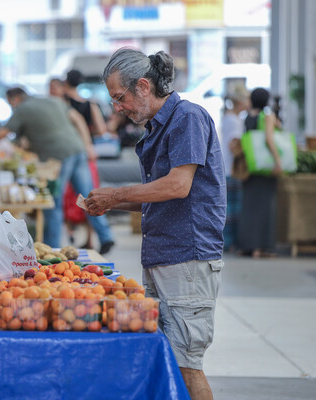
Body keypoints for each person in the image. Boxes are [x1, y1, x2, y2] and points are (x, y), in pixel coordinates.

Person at [84, 48, 225, 400]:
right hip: (165, 255)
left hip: (187, 259)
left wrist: (117, 194)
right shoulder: (160, 126)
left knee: (186, 365)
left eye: (120, 98)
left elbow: (178, 186)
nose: (117, 108)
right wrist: (112, 203)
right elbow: (160, 196)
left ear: (143, 86)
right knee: (167, 361)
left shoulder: (187, 118)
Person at [0, 87, 115, 254]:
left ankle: (51, 248)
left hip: (57, 157)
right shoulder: (52, 100)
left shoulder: (22, 109)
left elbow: (0, 135)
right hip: (77, 149)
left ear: (15, 98)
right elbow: (77, 119)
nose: (11, 107)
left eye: (9, 102)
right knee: (89, 195)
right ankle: (106, 236)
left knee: (52, 202)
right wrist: (87, 144)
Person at [49, 77, 98, 249]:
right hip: (77, 154)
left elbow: (83, 124)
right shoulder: (84, 104)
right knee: (80, 199)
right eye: (50, 88)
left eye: (55, 87)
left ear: (65, 87)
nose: (52, 91)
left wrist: (88, 146)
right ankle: (94, 238)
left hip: (73, 155)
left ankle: (89, 238)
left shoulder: (64, 106)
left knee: (78, 199)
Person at [237, 88, 282, 258]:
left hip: (251, 166)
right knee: (265, 208)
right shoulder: (268, 117)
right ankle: (260, 248)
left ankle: (247, 246)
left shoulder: (248, 117)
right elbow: (269, 139)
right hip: (266, 167)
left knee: (249, 207)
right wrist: (278, 161)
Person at [220, 85, 250, 252]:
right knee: (232, 208)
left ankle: (228, 241)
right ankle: (229, 242)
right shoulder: (233, 120)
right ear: (240, 101)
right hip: (232, 169)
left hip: (228, 168)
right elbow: (234, 144)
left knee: (229, 207)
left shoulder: (230, 117)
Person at [63, 69, 108, 137]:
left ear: (66, 82)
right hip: (85, 143)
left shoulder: (62, 103)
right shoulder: (91, 104)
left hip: (68, 142)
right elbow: (101, 130)